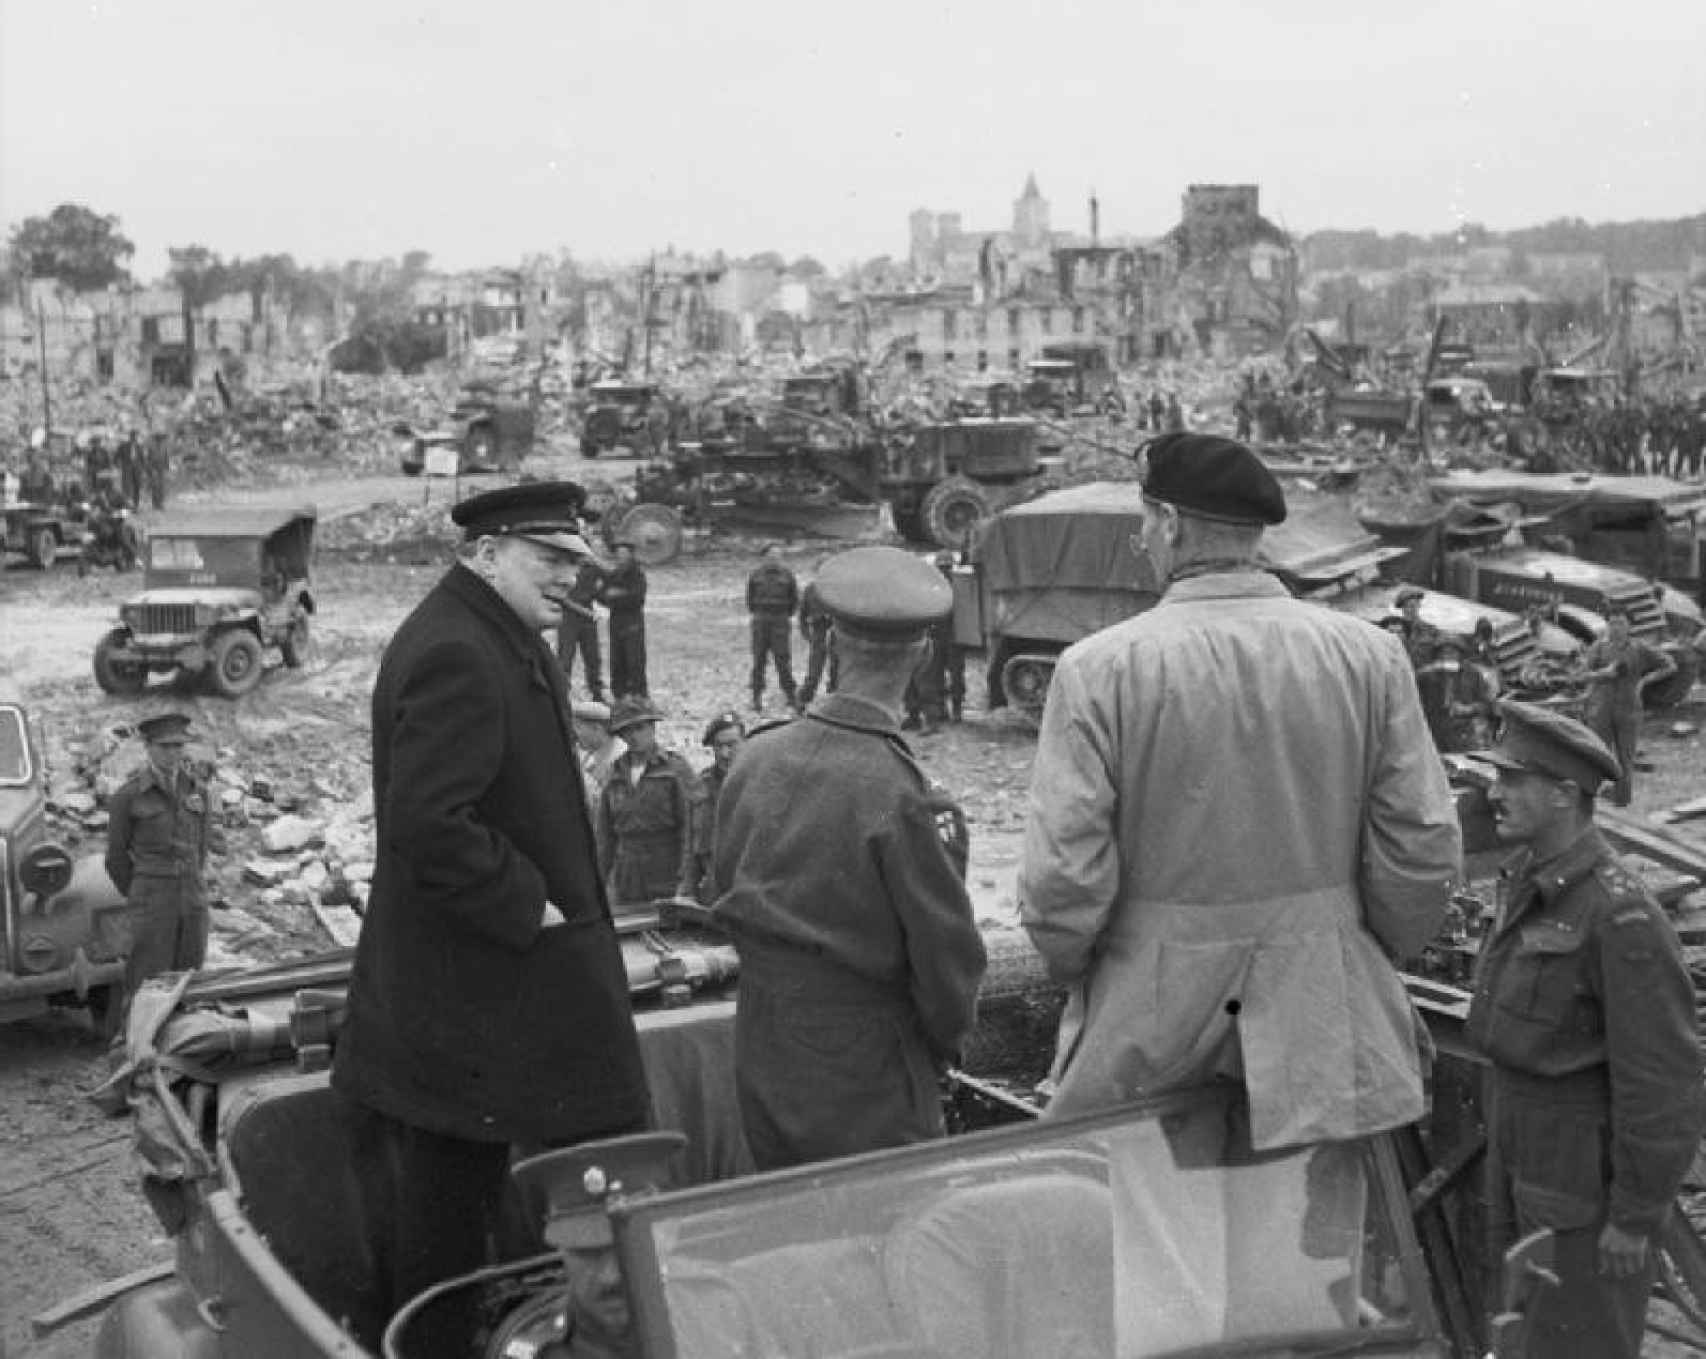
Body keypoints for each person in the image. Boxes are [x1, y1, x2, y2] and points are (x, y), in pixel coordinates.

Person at [1019, 432, 1461, 1151]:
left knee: (1167, 1247)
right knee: (1317, 1254)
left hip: (1150, 1022)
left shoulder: (1098, 669)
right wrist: (1348, 942)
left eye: (1145, 520)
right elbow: (1424, 848)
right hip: (1325, 1013)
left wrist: (1091, 968)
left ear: (1169, 523)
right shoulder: (1368, 654)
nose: (1143, 536)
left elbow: (1062, 881)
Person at [330, 481, 649, 1357]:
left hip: (468, 1005)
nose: (569, 582)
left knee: (452, 1203)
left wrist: (552, 725)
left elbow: (478, 757)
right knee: (440, 1223)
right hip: (468, 1004)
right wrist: (529, 901)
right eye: (551, 561)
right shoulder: (459, 651)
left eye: (576, 563)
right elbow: (428, 822)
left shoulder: (480, 627)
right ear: (485, 552)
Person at [711, 545, 988, 1171]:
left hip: (761, 1039)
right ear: (921, 655)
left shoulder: (755, 755)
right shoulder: (907, 798)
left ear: (829, 641)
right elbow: (947, 970)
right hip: (865, 1063)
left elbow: (720, 884)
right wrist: (938, 1052)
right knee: (887, 1226)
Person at [1468, 701, 1705, 1357]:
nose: (1494, 791)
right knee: (1519, 1336)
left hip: (1577, 1185)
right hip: (1521, 1156)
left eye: (1513, 778)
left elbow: (1663, 1081)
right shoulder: (1529, 885)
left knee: (1579, 1342)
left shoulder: (1619, 911)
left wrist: (1634, 1216)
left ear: (1564, 794)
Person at [104, 713, 216, 1012]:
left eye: (178, 746)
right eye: (165, 747)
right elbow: (116, 858)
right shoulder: (128, 797)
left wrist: (193, 882)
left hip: (192, 896)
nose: (173, 753)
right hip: (152, 897)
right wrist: (141, 893)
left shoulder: (198, 791)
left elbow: (201, 847)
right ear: (148, 748)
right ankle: (135, 1047)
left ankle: (178, 1046)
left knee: (191, 976)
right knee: (147, 979)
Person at [595, 697, 694, 912]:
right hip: (627, 875)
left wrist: (686, 879)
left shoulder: (674, 769)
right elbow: (605, 836)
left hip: (665, 869)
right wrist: (598, 881)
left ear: (652, 727)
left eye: (640, 728)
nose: (634, 736)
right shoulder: (614, 773)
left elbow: (691, 827)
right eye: (626, 731)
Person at [1579, 609, 1675, 807]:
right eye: (1612, 623)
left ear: (1629, 626)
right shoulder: (1598, 647)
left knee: (1625, 756)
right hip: (1601, 708)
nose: (1615, 628)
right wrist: (1603, 674)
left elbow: (1669, 665)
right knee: (1597, 753)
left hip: (1629, 708)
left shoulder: (1639, 648)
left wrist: (1645, 680)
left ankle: (1622, 800)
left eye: (1620, 623)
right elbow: (1582, 675)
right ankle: (1591, 797)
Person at [684, 711, 745, 903]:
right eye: (719, 746)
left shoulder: (760, 783)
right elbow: (691, 842)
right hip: (712, 887)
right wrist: (687, 890)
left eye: (732, 745)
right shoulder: (701, 785)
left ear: (746, 743)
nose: (725, 754)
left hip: (748, 887)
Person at [746, 544, 800, 713]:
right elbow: (750, 600)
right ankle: (756, 697)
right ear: (764, 558)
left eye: (778, 557)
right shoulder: (755, 575)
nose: (774, 560)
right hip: (761, 619)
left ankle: (791, 696)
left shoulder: (788, 576)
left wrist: (783, 615)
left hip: (780, 620)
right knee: (759, 660)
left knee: (782, 659)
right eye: (771, 557)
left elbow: (794, 600)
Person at [554, 552, 608, 702]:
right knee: (566, 656)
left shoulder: (592, 569)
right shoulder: (565, 568)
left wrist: (597, 562)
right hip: (569, 618)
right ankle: (561, 693)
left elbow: (610, 578)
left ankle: (596, 691)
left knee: (593, 657)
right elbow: (562, 597)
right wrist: (585, 612)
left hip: (587, 617)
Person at [602, 541, 649, 700]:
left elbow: (637, 598)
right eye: (618, 553)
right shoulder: (613, 575)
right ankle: (620, 699)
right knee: (617, 664)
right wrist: (616, 595)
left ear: (630, 555)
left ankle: (640, 699)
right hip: (615, 624)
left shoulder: (637, 575)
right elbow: (603, 596)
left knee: (635, 663)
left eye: (624, 553)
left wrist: (616, 595)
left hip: (633, 625)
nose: (620, 557)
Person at [571, 699, 625, 803]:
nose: (575, 733)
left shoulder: (621, 758)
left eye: (578, 727)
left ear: (597, 728)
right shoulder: (588, 753)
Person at [796, 570, 837, 705]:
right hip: (818, 631)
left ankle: (834, 700)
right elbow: (802, 614)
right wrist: (806, 634)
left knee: (836, 669)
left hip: (836, 631)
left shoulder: (838, 589)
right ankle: (804, 700)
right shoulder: (810, 590)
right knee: (814, 671)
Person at [1394, 586, 1441, 667]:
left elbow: (1438, 656)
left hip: (1424, 676)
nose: (1412, 609)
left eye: (1415, 605)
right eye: (1409, 605)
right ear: (1402, 607)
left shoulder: (1431, 630)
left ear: (1419, 606)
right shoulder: (1394, 629)